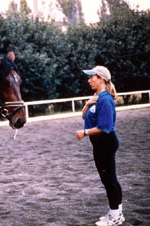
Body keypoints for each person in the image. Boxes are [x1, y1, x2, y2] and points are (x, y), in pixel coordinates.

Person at [75, 66, 125, 226]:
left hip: (106, 143)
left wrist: (85, 132)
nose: (89, 80)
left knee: (110, 180)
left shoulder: (106, 99)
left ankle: (116, 217)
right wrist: (87, 104)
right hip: (100, 144)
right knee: (108, 180)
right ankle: (115, 213)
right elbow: (85, 115)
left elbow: (105, 127)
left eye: (92, 77)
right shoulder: (97, 96)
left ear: (101, 79)